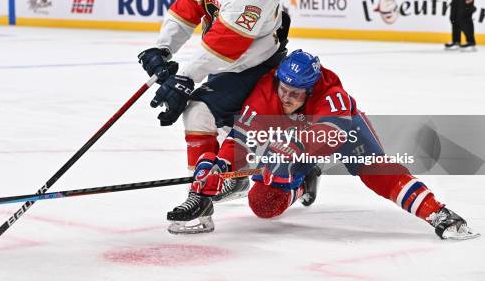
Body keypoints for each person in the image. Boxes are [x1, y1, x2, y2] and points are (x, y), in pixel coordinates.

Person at [168, 50, 479, 241]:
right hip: (292, 144)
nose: (286, 98)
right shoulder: (267, 91)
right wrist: (221, 167)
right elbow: (240, 140)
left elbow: (328, 137)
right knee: (262, 203)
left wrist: (286, 155)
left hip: (342, 135)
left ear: (311, 89)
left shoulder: (333, 96)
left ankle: (437, 213)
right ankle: (303, 184)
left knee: (380, 174)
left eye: (295, 93)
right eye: (283, 89)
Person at [137, 0, 289, 204]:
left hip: (258, 68)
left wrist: (185, 77)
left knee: (214, 118)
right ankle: (211, 189)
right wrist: (162, 49)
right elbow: (184, 13)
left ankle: (212, 191)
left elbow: (225, 44)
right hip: (228, 66)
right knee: (199, 114)